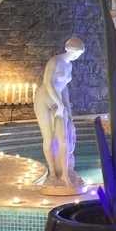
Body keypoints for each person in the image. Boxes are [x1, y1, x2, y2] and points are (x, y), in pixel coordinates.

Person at [34, 36, 86, 194]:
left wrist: (67, 109)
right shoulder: (54, 61)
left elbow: (64, 88)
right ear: (71, 50)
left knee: (64, 139)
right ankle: (52, 173)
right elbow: (48, 83)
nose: (77, 56)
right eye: (77, 53)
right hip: (44, 99)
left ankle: (65, 173)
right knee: (49, 138)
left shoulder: (69, 65)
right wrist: (59, 103)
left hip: (59, 102)